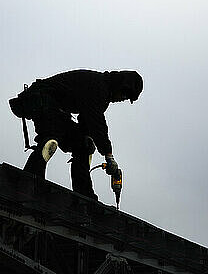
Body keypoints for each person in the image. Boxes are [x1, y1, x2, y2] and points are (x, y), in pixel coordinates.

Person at [9, 69, 143, 200]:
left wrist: (88, 141)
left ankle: (84, 195)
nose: (122, 100)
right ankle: (30, 179)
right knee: (52, 137)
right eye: (125, 95)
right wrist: (108, 154)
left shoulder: (102, 94)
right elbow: (97, 123)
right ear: (120, 86)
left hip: (56, 108)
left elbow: (87, 125)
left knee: (84, 145)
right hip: (41, 98)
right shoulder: (99, 87)